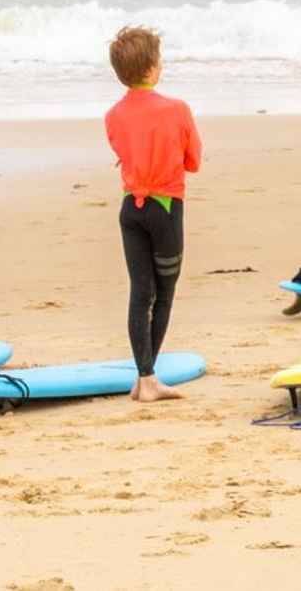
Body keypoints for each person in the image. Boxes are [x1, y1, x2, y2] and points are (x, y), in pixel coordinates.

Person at [104, 26, 202, 402]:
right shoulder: (176, 109)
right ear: (150, 68)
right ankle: (147, 381)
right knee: (164, 293)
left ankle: (143, 376)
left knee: (139, 293)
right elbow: (193, 161)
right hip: (165, 209)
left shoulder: (113, 115)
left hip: (130, 209)